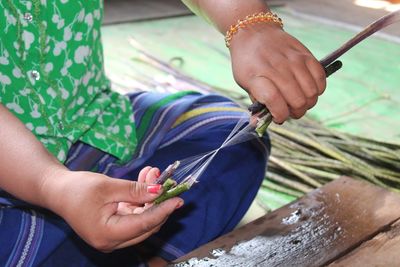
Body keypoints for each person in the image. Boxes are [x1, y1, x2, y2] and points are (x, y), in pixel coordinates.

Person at [0, 0, 326, 266]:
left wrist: (250, 27)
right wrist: (52, 185)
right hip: (11, 170)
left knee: (233, 136)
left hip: (99, 123)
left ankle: (141, 254)